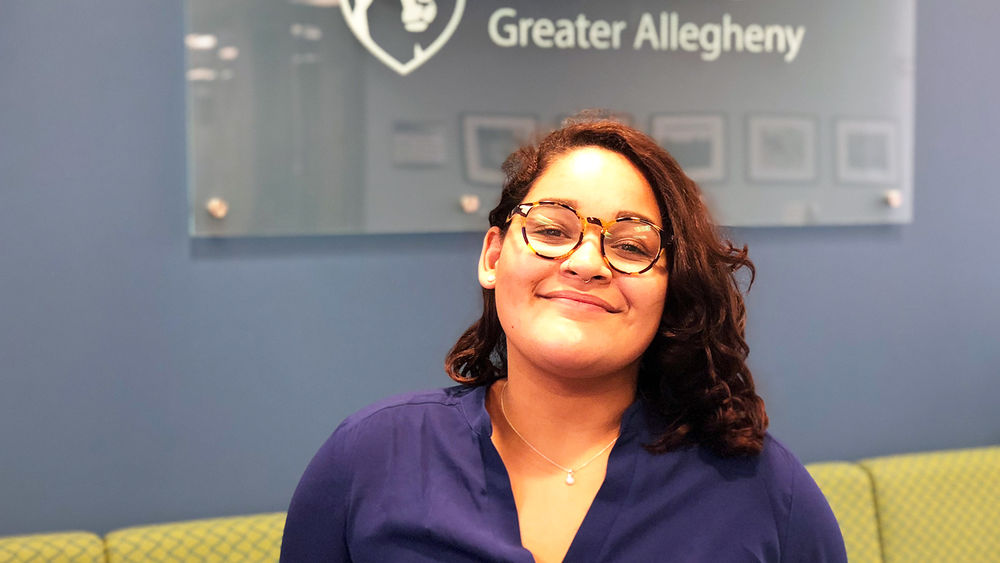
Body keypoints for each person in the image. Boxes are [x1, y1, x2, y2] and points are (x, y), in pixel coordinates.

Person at [280, 118, 847, 562]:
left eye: (630, 246)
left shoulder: (765, 493)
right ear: (494, 256)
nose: (586, 263)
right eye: (552, 230)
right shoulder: (369, 458)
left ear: (670, 291)